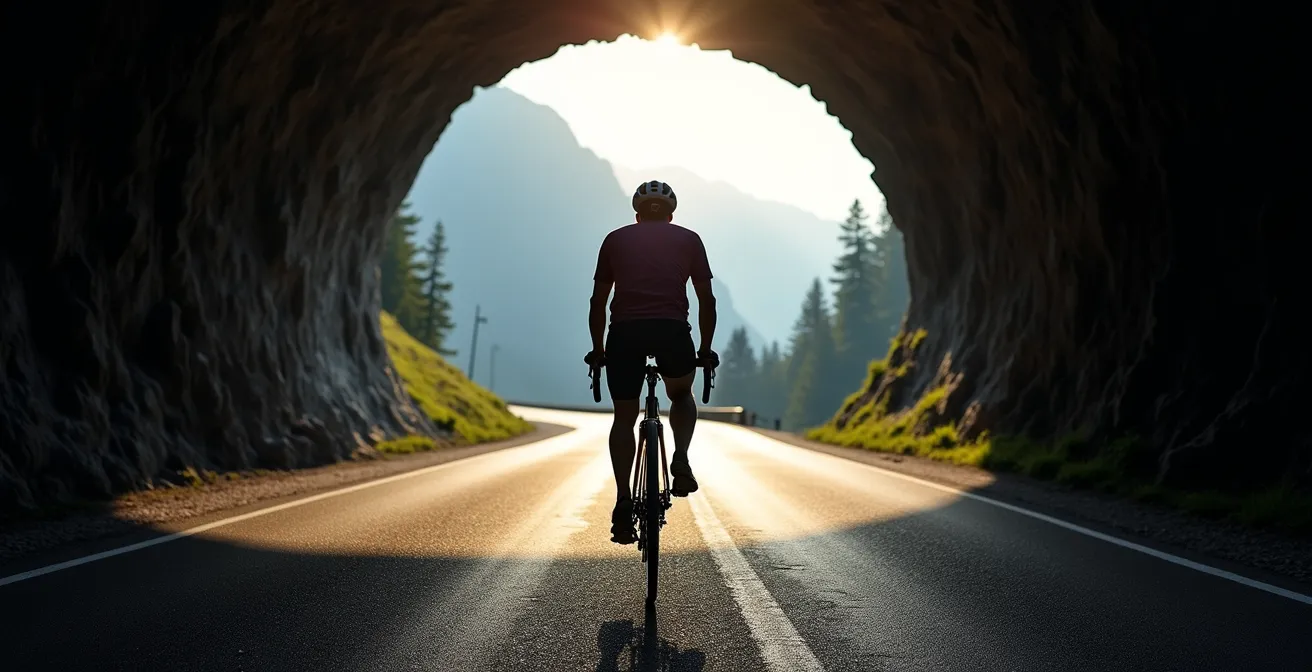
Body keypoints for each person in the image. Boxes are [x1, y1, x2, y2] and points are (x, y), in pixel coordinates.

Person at [585, 180, 718, 545]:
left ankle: (624, 502)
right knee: (680, 394)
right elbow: (707, 301)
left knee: (624, 418)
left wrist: (599, 349)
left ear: (637, 214)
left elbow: (598, 301)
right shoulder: (689, 240)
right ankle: (680, 458)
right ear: (671, 214)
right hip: (672, 332)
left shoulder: (615, 240)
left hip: (625, 335)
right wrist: (704, 348)